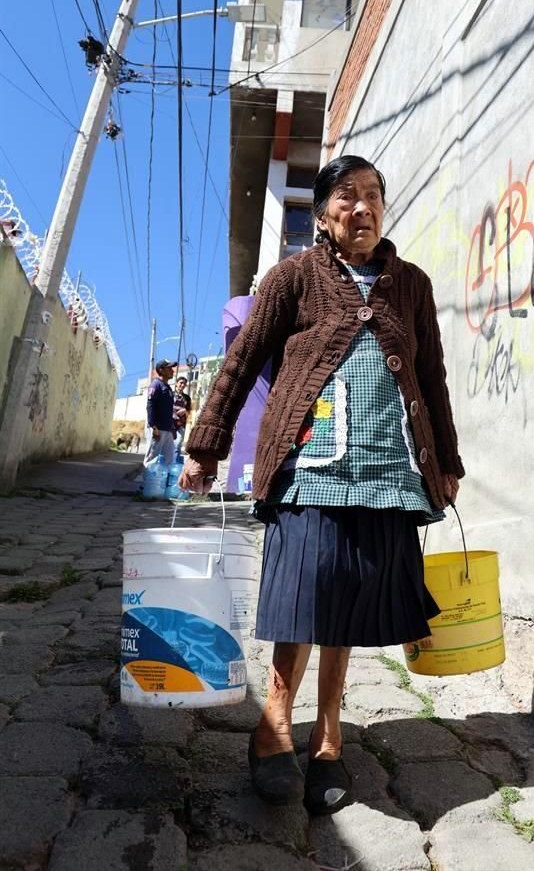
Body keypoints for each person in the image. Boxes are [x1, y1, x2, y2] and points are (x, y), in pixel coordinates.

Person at [180, 155, 464, 815]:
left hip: (387, 470)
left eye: (373, 196)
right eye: (346, 196)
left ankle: (329, 735)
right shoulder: (294, 277)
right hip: (309, 467)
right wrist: (205, 446)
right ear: (323, 213)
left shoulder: (410, 285)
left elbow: (433, 379)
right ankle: (275, 718)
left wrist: (444, 460)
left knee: (351, 604)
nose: (362, 208)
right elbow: (243, 358)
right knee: (306, 595)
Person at [144, 360, 177, 467]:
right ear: (161, 370)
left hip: (167, 430)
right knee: (152, 459)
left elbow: (168, 410)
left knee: (169, 459)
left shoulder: (168, 388)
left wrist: (172, 428)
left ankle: (161, 483)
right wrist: (153, 427)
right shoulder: (156, 384)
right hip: (157, 429)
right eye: (169, 368)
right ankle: (147, 484)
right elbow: (150, 405)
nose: (172, 370)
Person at [173, 376, 192, 454]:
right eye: (181, 383)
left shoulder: (187, 398)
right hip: (170, 423)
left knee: (178, 444)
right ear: (176, 384)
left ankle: (174, 464)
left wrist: (185, 410)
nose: (182, 385)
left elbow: (190, 410)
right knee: (167, 444)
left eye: (184, 384)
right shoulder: (170, 394)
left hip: (181, 424)